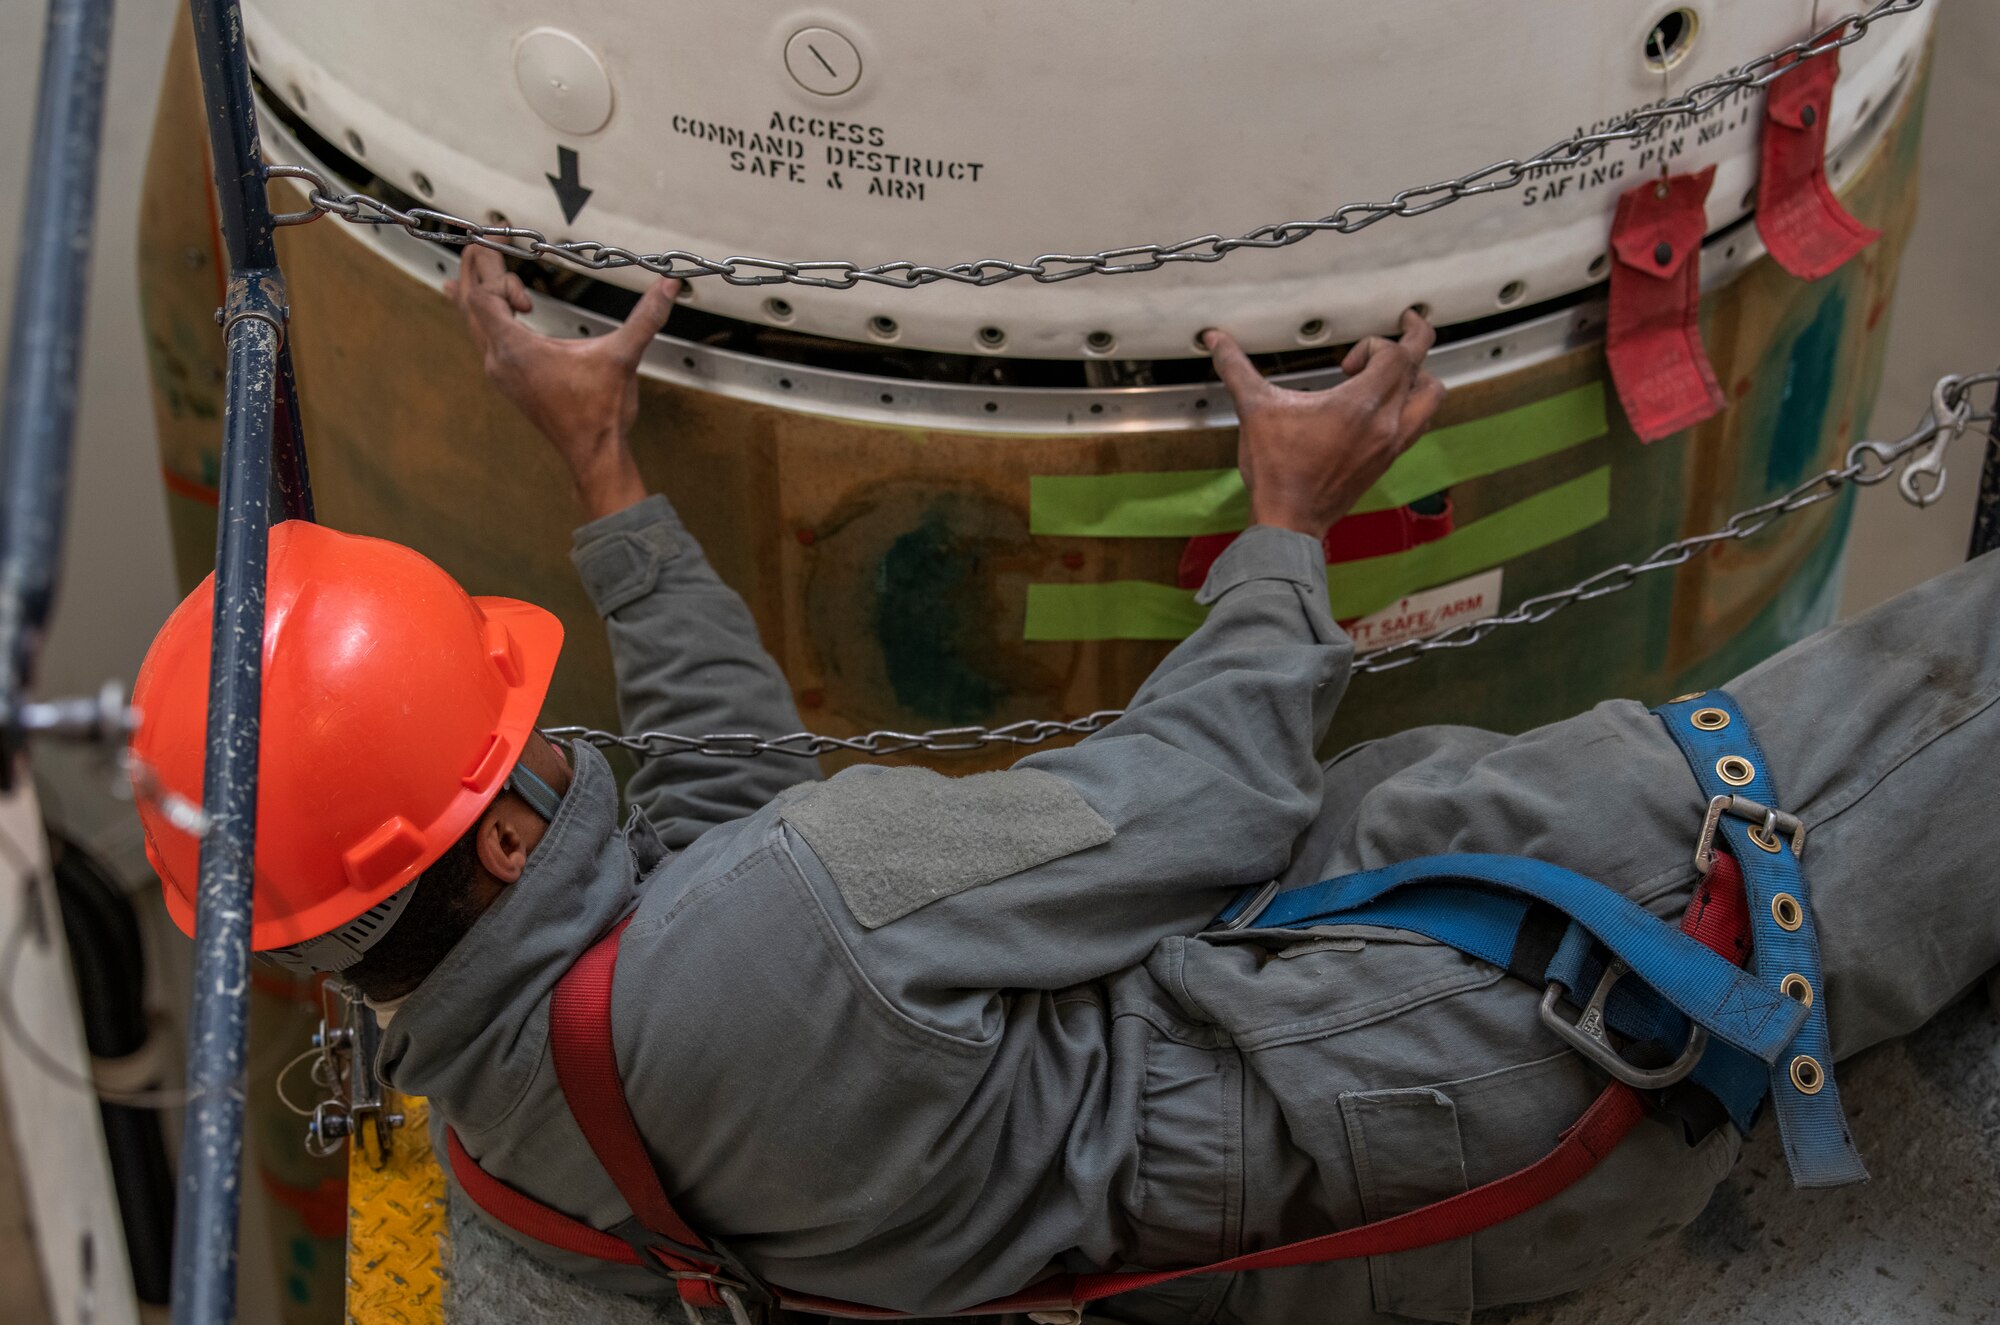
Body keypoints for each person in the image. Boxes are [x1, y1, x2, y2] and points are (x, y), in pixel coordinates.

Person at [132, 244, 2000, 1325]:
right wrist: (1286, 525)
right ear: (512, 815)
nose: (561, 740)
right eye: (520, 729)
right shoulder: (803, 912)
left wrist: (613, 480)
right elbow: (1203, 797)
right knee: (1872, 761)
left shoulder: (503, 1134)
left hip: (1250, 1226)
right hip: (1445, 1062)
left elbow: (713, 817)